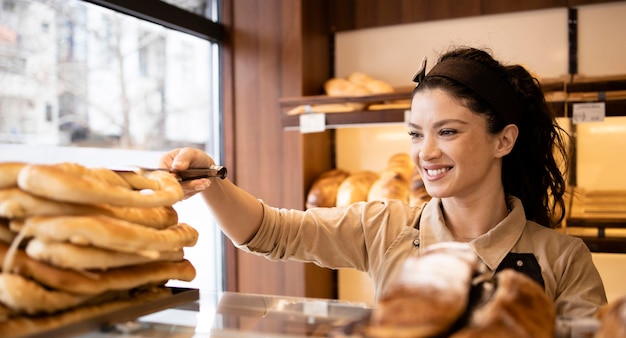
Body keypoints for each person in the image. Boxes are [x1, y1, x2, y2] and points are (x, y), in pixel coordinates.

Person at [159, 46, 607, 319]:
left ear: (503, 140)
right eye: (415, 133)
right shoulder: (387, 229)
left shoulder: (563, 261)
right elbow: (270, 232)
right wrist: (211, 179)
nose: (425, 153)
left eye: (447, 131)